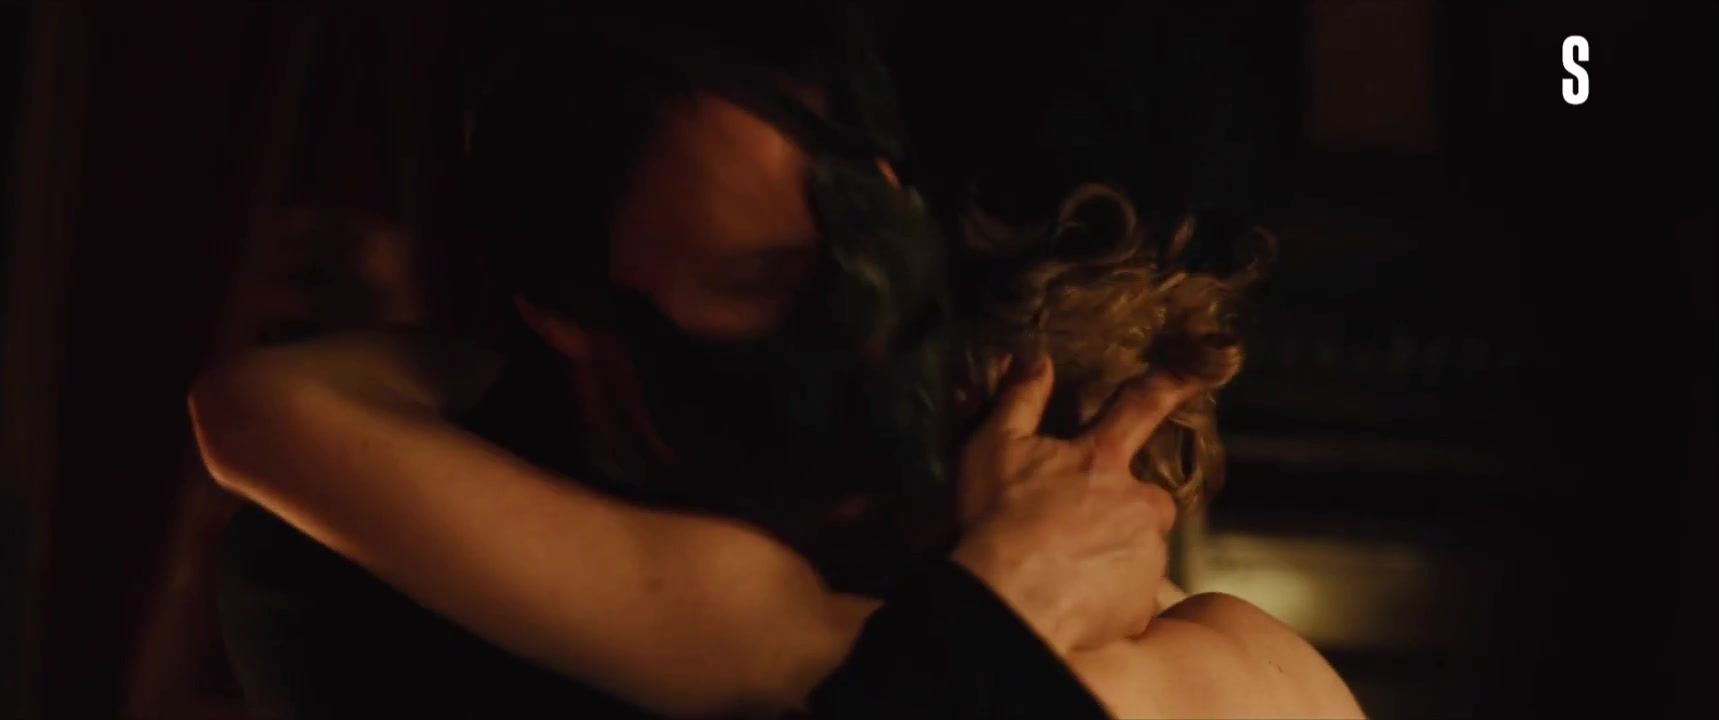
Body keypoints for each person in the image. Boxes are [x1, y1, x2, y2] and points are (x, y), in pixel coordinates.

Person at [192, 3, 1361, 718]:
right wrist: (1001, 613)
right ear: (567, 306)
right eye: (752, 279)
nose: (863, 333)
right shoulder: (361, 591)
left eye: (880, 246)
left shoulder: (1192, 648)